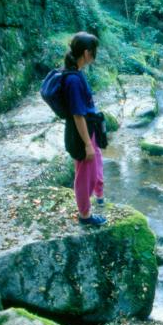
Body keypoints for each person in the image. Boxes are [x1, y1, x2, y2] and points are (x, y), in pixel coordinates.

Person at [63, 32, 107, 226]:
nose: (95, 55)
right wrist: (88, 144)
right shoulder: (73, 80)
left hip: (88, 129)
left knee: (95, 163)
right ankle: (85, 216)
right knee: (83, 176)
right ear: (87, 53)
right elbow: (77, 114)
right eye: (94, 51)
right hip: (81, 133)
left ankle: (99, 194)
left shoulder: (77, 71)